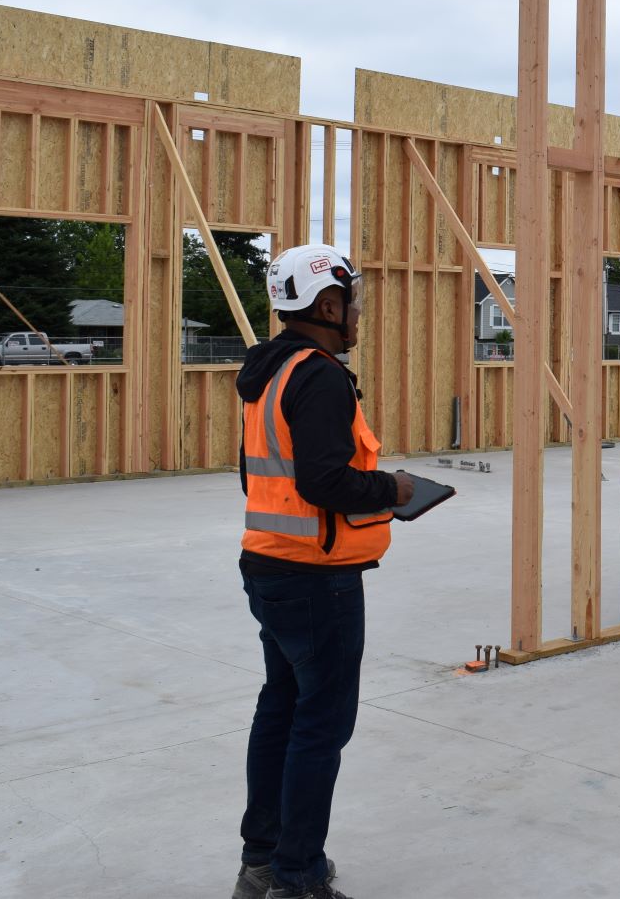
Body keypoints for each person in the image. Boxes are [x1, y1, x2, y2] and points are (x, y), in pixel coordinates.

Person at [231, 244, 414, 899]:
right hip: (316, 577)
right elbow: (324, 481)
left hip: (271, 568)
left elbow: (266, 477)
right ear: (328, 305)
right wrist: (391, 489)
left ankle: (262, 863)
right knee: (319, 725)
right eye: (351, 302)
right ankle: (297, 879)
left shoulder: (270, 372)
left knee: (281, 709)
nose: (356, 314)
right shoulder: (321, 376)